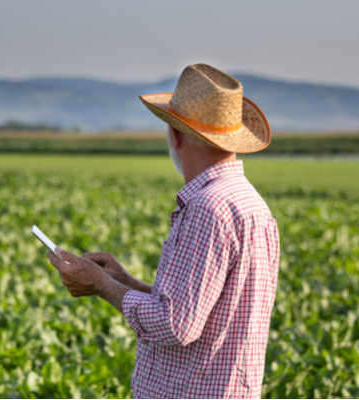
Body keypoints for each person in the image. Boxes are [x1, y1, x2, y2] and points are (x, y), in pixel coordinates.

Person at [46, 63, 280, 399]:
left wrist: (100, 284)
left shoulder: (206, 208)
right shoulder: (250, 203)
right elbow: (197, 310)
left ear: (176, 134)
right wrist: (122, 280)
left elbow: (176, 324)